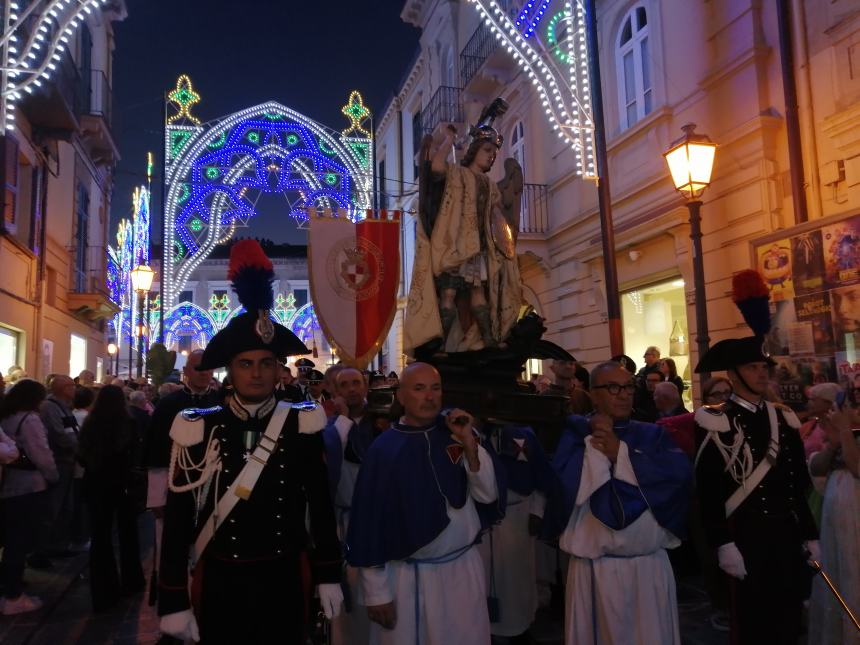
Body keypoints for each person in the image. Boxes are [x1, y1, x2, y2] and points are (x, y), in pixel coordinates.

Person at [158, 240, 342, 643]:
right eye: (245, 364)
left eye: (265, 364)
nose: (256, 374)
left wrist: (328, 573)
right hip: (223, 579)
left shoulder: (303, 424)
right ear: (230, 370)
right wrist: (173, 599)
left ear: (279, 369)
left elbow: (321, 507)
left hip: (285, 579)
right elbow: (177, 522)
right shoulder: (198, 428)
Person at [346, 362, 504, 645]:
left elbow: (487, 496)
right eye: (419, 389)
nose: (429, 396)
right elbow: (369, 523)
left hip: (463, 570)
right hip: (409, 579)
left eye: (435, 388)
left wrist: (470, 445)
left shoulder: (457, 434)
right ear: (402, 396)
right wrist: (376, 593)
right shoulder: (384, 450)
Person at [543, 361, 691, 644]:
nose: (623, 394)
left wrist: (619, 454)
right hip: (595, 573)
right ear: (592, 392)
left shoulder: (652, 435)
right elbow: (562, 489)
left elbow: (678, 479)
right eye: (613, 387)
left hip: (648, 570)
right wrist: (593, 439)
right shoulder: (574, 436)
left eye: (628, 387)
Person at [694, 336, 819, 645]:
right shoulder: (716, 420)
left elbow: (797, 483)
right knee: (753, 621)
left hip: (786, 533)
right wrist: (722, 543)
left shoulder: (783, 417)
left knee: (789, 617)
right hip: (747, 534)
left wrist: (810, 533)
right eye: (753, 367)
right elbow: (709, 491)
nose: (762, 373)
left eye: (764, 367)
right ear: (734, 375)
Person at [404, 104, 522, 354]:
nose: (491, 156)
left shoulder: (490, 185)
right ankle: (443, 343)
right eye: (487, 150)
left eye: (494, 152)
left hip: (480, 247)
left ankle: (489, 339)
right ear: (475, 151)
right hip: (455, 245)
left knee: (478, 292)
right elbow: (436, 166)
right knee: (448, 293)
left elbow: (498, 216)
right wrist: (448, 139)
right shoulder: (457, 174)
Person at [479, 422, 556, 644]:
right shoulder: (470, 433)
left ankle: (517, 627)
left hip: (517, 517)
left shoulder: (523, 435)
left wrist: (537, 510)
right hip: (483, 519)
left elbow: (541, 474)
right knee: (482, 579)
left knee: (516, 580)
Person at [77, 385, 146, 612]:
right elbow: (135, 455)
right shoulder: (128, 424)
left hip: (97, 484)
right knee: (128, 533)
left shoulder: (91, 423)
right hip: (122, 484)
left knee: (101, 536)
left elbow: (82, 454)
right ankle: (132, 580)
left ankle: (103, 589)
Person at [0, 380, 58, 615]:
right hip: (28, 484)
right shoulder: (30, 419)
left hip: (9, 483)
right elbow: (40, 452)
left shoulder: (7, 416)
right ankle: (12, 595)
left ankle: (9, 584)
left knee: (11, 536)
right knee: (20, 539)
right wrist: (53, 475)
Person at [807, 402, 859, 645]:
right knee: (839, 575)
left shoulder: (848, 429)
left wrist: (845, 431)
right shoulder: (838, 428)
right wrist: (835, 440)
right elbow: (817, 467)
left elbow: (856, 466)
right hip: (837, 519)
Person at [34, 374, 79, 564]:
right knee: (53, 507)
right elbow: (59, 434)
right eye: (71, 386)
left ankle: (58, 545)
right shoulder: (51, 407)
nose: (75, 389)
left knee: (64, 507)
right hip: (59, 461)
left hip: (67, 461)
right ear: (63, 388)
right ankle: (41, 550)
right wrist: (78, 448)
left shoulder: (63, 407)